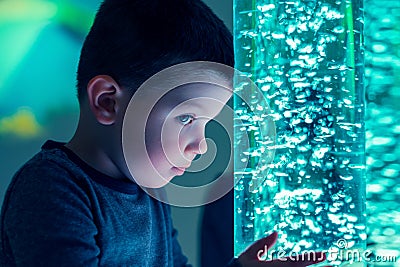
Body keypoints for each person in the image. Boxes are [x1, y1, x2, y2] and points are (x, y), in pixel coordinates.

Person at [0, 0, 326, 266]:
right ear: (107, 102)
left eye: (206, 124)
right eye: (187, 118)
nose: (201, 146)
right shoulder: (53, 191)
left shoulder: (150, 195)